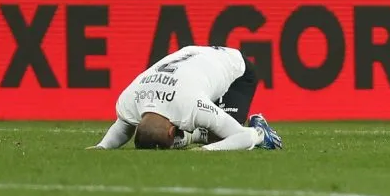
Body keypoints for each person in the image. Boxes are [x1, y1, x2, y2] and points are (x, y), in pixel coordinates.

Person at [90, 45, 282, 151]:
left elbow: (242, 135)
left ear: (172, 131)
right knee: (212, 128)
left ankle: (263, 133)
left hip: (235, 68)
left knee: (220, 138)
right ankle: (194, 135)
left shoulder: (191, 105)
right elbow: (123, 125)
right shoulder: (129, 100)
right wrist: (102, 147)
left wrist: (205, 151)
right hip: (193, 59)